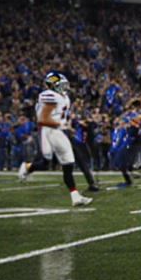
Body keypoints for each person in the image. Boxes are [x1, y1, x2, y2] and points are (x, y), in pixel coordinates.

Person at [16, 71, 92, 206]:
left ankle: (75, 196)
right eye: (61, 84)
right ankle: (28, 166)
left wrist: (67, 125)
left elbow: (62, 115)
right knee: (48, 162)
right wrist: (61, 125)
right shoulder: (49, 96)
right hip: (48, 131)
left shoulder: (64, 97)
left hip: (58, 131)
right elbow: (43, 120)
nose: (64, 87)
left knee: (67, 163)